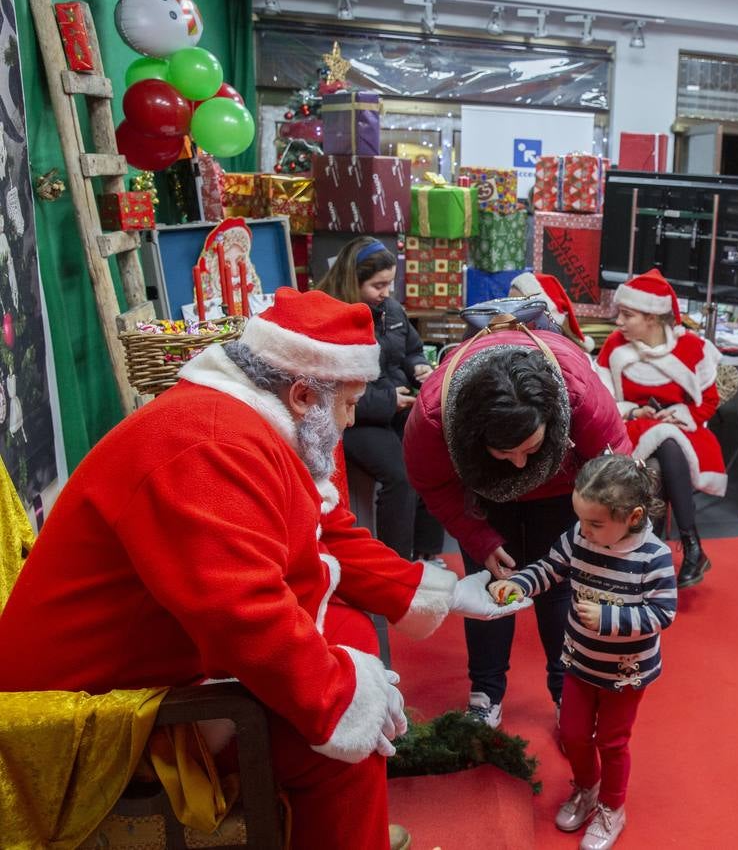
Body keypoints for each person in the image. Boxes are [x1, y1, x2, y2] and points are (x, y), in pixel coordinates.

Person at [0, 288, 529, 850]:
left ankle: (354, 828)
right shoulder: (208, 444)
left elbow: (326, 534)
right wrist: (341, 697)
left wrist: (441, 592)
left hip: (158, 655)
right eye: (349, 403)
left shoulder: (263, 423)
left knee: (350, 639)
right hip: (92, 711)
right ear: (303, 394)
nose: (351, 419)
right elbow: (240, 611)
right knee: (337, 745)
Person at [404, 318, 630, 728]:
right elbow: (431, 484)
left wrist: (604, 540)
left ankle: (567, 692)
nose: (521, 464)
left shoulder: (577, 393)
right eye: (506, 452)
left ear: (553, 419)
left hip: (564, 490)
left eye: (531, 447)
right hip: (482, 494)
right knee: (490, 588)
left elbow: (615, 472)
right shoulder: (436, 415)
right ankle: (485, 693)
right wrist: (478, 539)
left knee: (559, 587)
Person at [489, 454, 676, 850]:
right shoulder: (580, 536)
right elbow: (550, 567)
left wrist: (608, 618)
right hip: (578, 660)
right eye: (581, 520)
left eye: (595, 524)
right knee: (573, 734)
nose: (585, 531)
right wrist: (520, 583)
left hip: (626, 672)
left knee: (612, 742)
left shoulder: (653, 556)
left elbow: (663, 613)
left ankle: (612, 807)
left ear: (633, 516)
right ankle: (587, 788)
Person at [318, 236, 444, 563]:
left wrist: (418, 367)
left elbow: (412, 349)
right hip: (355, 418)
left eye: (390, 283)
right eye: (378, 285)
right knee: (401, 476)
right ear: (353, 281)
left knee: (434, 454)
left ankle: (427, 551)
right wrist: (389, 401)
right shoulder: (332, 318)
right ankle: (397, 563)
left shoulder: (391, 310)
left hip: (395, 404)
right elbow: (334, 389)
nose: (387, 292)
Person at [598, 268, 725, 588]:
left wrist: (680, 413)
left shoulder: (692, 348)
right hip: (628, 430)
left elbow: (709, 401)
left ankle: (648, 555)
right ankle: (691, 545)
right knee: (661, 454)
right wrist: (632, 409)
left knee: (666, 446)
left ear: (652, 318)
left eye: (627, 315)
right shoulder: (614, 346)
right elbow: (604, 401)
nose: (618, 321)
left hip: (684, 432)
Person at [511, 271, 596, 352]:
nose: (513, 312)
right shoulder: (513, 341)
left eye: (523, 306)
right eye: (510, 303)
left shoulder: (563, 352)